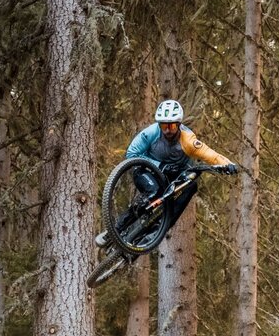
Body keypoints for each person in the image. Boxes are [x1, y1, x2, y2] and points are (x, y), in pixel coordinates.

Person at [95, 99, 238, 247]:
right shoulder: (151, 133)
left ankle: (156, 232)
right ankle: (115, 230)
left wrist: (227, 164)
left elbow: (209, 154)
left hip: (175, 174)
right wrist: (159, 165)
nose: (168, 130)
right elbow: (131, 153)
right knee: (153, 192)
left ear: (179, 124)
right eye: (164, 125)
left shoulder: (188, 140)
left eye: (171, 125)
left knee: (191, 186)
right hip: (146, 170)